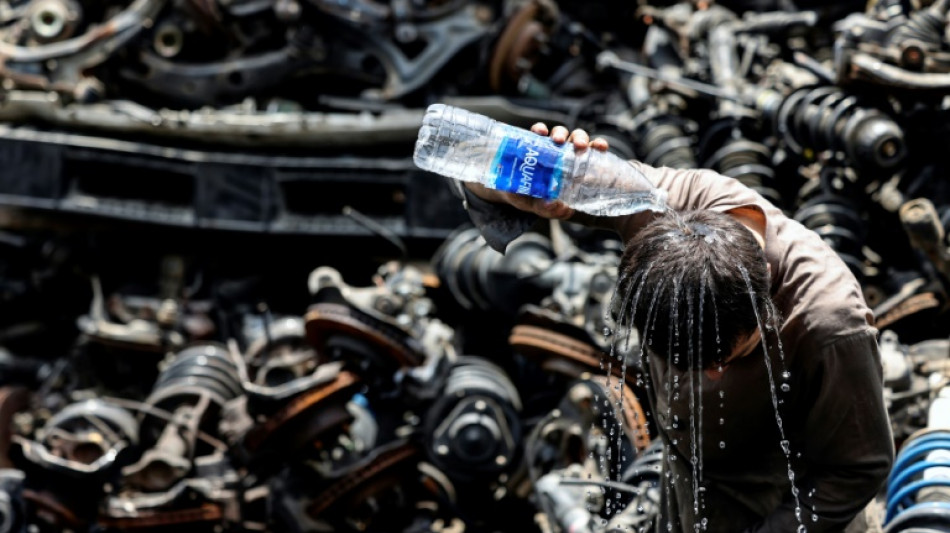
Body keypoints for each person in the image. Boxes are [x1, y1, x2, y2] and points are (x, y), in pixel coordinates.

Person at [448, 122, 896, 532]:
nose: (708, 377)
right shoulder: (658, 204)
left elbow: (856, 469)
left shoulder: (829, 323)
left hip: (784, 501)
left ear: (768, 307)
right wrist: (498, 189)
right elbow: (474, 154)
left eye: (725, 358)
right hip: (683, 478)